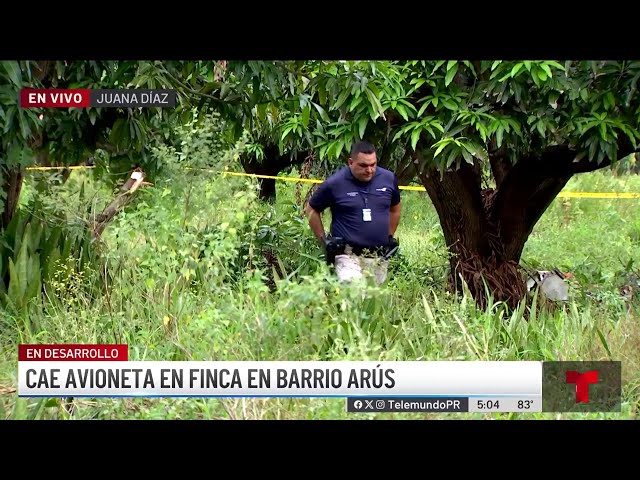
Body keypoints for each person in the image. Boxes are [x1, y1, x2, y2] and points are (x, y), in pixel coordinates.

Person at [305, 140, 401, 284]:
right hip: (348, 256)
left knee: (374, 303)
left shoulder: (388, 179)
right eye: (363, 165)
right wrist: (324, 241)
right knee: (353, 294)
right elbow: (311, 209)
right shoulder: (335, 183)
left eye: (373, 165)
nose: (369, 170)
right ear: (350, 162)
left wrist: (389, 235)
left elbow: (395, 208)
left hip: (379, 256)